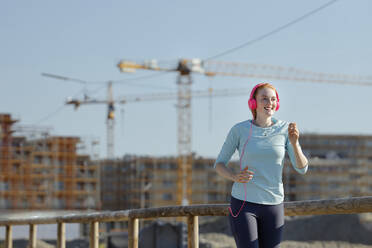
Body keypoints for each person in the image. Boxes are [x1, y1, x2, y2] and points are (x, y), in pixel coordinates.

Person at [214, 83, 308, 248]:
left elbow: (302, 168)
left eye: (273, 99)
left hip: (274, 205)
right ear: (253, 103)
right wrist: (234, 176)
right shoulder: (239, 130)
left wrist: (294, 143)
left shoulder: (285, 130)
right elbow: (219, 164)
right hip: (244, 204)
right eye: (264, 98)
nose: (269, 102)